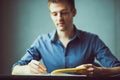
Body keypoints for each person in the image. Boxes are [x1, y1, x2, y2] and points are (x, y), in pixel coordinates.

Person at [12, 0, 120, 77]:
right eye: (55, 14)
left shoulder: (92, 40)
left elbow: (118, 68)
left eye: (63, 13)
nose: (59, 18)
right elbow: (15, 69)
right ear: (50, 15)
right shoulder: (41, 41)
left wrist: (100, 72)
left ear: (74, 12)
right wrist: (27, 69)